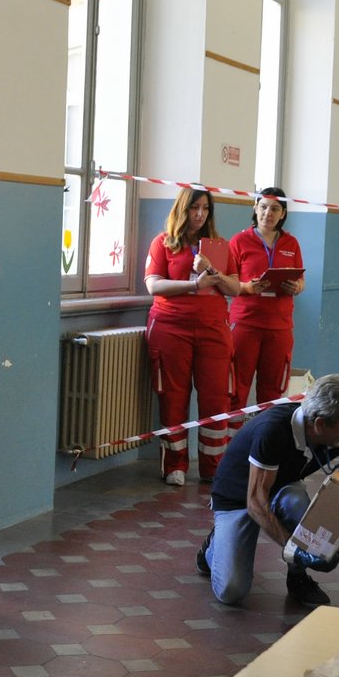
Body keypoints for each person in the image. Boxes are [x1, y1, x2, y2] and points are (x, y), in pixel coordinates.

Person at [197, 374, 339, 607]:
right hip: (239, 498)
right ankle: (214, 546)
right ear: (320, 424)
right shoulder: (272, 430)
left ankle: (298, 577)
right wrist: (294, 549)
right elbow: (255, 502)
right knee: (231, 591)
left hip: (281, 488)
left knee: (297, 503)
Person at [143, 187, 242, 485]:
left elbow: (234, 289)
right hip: (171, 329)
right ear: (181, 210)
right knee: (173, 397)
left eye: (205, 209)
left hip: (213, 330)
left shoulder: (220, 246)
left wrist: (211, 269)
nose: (199, 215)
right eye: (193, 208)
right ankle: (175, 464)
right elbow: (154, 285)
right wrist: (193, 285)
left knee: (216, 398)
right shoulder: (163, 244)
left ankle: (213, 467)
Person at [227, 186, 306, 413]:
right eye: (263, 207)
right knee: (236, 390)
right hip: (245, 324)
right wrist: (246, 287)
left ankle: (265, 443)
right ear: (255, 208)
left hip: (279, 327)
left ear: (283, 213)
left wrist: (297, 286)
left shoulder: (291, 243)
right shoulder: (239, 241)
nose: (268, 213)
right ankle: (233, 445)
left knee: (272, 393)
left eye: (275, 209)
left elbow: (301, 280)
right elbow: (225, 283)